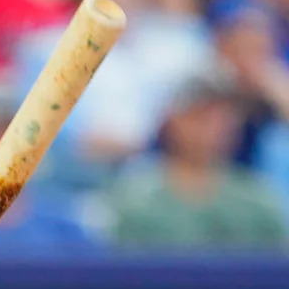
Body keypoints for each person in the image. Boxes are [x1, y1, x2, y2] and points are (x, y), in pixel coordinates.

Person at [106, 70, 287, 249]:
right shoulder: (136, 199)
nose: (214, 128)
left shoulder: (256, 199)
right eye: (201, 117)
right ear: (172, 121)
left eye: (223, 119)